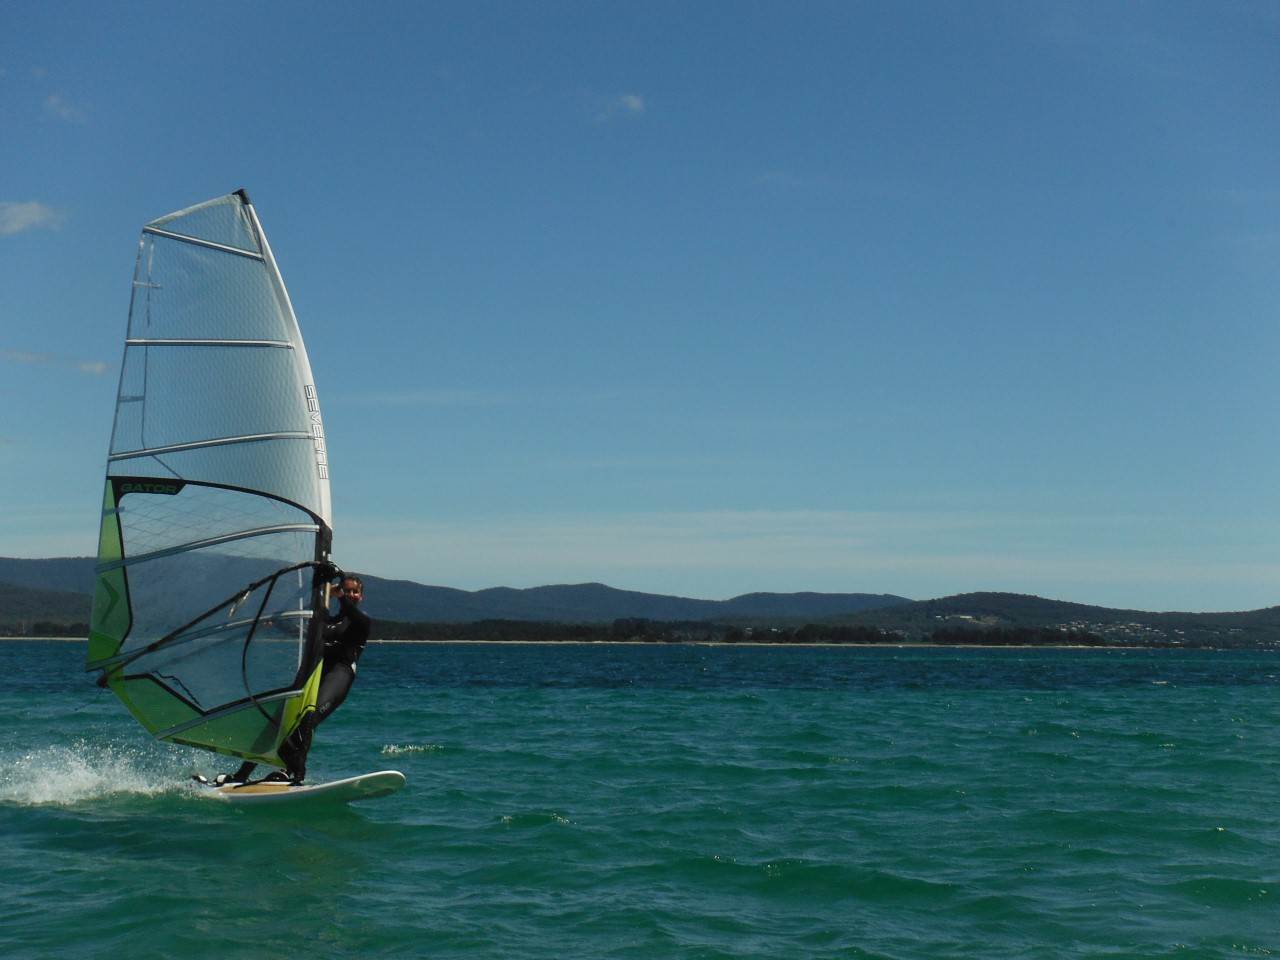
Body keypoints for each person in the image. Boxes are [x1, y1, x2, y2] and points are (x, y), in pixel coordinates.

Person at [213, 567, 372, 786]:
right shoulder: (326, 621)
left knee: (309, 716)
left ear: (361, 596)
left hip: (339, 675)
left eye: (355, 592)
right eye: (348, 591)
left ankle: (295, 773)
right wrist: (278, 621)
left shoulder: (361, 621)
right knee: (275, 724)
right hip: (314, 674)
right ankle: (242, 775)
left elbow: (348, 608)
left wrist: (337, 584)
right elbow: (302, 628)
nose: (351, 595)